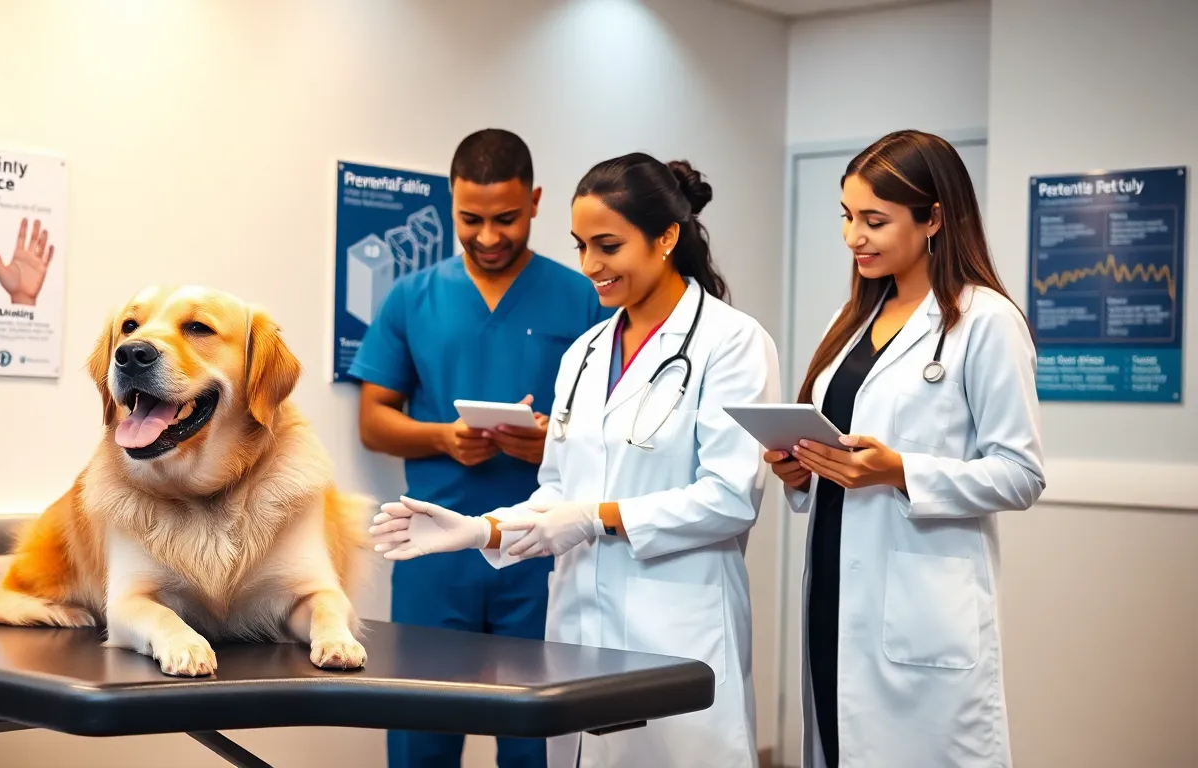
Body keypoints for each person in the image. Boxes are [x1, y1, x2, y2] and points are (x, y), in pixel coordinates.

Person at [369, 152, 781, 768]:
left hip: (675, 626)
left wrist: (595, 517)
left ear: (666, 236)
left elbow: (728, 497)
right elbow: (557, 490)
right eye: (581, 245)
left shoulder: (732, 341)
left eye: (607, 246)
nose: (589, 266)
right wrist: (483, 530)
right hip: (579, 630)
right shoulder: (587, 352)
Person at [768, 129, 1045, 768]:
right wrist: (801, 470)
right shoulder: (857, 322)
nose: (853, 237)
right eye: (847, 217)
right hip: (836, 588)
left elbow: (1021, 474)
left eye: (874, 220)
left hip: (919, 607)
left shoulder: (986, 321)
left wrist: (901, 471)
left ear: (934, 218)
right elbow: (842, 453)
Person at [347, 128, 608, 768]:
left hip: (537, 551)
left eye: (506, 219)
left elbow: (608, 425)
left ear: (536, 202)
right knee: (421, 733)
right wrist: (444, 438)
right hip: (433, 552)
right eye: (471, 219)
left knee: (536, 741)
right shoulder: (412, 297)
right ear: (449, 203)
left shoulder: (581, 296)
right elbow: (374, 421)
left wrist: (550, 443)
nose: (489, 237)